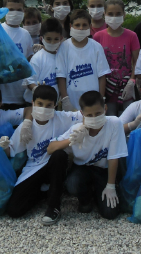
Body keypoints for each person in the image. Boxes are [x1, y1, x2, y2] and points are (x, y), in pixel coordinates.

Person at [5, 85, 83, 225]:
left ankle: (54, 206)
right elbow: (11, 150)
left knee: (59, 155)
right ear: (33, 103)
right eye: (40, 104)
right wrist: (3, 145)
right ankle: (43, 192)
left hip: (54, 165)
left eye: (49, 105)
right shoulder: (26, 127)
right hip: (33, 167)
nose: (44, 108)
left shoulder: (61, 118)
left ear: (55, 105)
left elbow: (84, 114)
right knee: (14, 210)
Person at [48, 91, 128, 219]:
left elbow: (114, 157)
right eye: (89, 115)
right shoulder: (76, 129)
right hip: (83, 168)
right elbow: (50, 148)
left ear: (105, 108)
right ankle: (86, 199)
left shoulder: (114, 123)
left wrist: (110, 186)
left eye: (98, 113)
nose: (94, 118)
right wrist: (71, 140)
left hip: (104, 170)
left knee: (110, 214)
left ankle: (100, 192)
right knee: (72, 184)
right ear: (81, 113)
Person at [55, 9, 111, 111]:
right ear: (71, 26)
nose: (81, 28)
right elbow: (61, 76)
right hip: (71, 100)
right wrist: (65, 99)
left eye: (84, 25)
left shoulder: (96, 47)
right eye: (77, 25)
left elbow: (102, 75)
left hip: (93, 100)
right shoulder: (64, 47)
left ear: (90, 27)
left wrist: (101, 98)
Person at [93, 0, 140, 116]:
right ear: (104, 15)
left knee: (129, 118)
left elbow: (137, 61)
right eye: (110, 14)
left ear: (124, 15)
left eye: (118, 13)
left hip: (126, 87)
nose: (114, 17)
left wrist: (132, 81)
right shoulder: (98, 36)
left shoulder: (131, 36)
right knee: (110, 118)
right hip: (107, 88)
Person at [0, 0, 34, 110]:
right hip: (1, 95)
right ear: (4, 10)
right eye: (11, 9)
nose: (15, 13)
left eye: (19, 10)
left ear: (24, 11)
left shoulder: (26, 34)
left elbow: (29, 61)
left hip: (20, 95)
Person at [25, 18, 63, 103]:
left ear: (61, 38)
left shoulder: (62, 57)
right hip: (37, 104)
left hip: (54, 104)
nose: (52, 42)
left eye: (56, 39)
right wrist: (37, 90)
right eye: (49, 39)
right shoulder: (37, 58)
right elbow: (29, 81)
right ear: (42, 38)